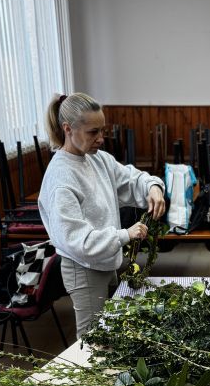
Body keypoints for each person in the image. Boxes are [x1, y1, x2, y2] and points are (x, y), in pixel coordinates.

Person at [39, 92, 166, 337]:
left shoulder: (96, 159)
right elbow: (78, 241)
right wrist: (124, 235)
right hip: (84, 268)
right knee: (91, 340)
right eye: (92, 132)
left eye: (102, 130)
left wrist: (153, 187)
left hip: (106, 261)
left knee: (108, 333)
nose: (101, 138)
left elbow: (130, 179)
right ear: (68, 129)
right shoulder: (61, 179)